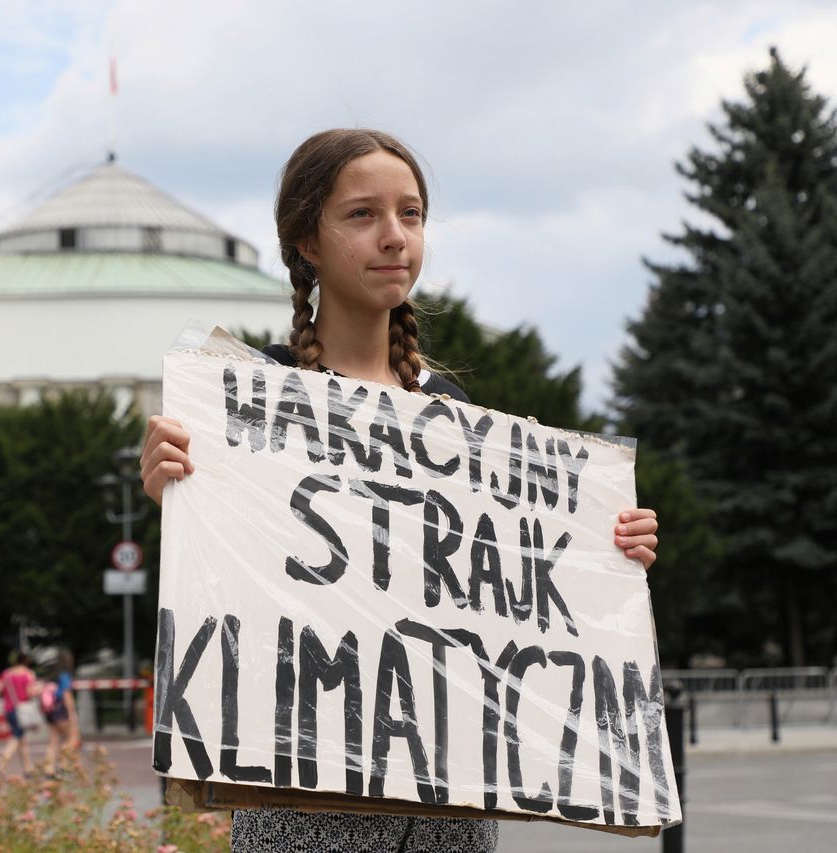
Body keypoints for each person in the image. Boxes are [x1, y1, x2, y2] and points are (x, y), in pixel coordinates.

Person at [139, 128, 660, 853]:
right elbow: (235, 582)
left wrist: (608, 549)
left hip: (453, 812)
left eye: (410, 214)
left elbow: (510, 592)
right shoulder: (252, 398)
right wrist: (179, 498)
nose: (394, 236)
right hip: (307, 810)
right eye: (362, 215)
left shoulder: (452, 415)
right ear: (306, 241)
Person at [0, 651, 38, 778]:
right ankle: (1, 765)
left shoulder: (6, 674)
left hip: (9, 709)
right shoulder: (28, 674)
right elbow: (30, 693)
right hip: (22, 711)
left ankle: (28, 769)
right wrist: (39, 690)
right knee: (16, 737)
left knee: (22, 740)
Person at [42, 649, 81, 776]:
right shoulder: (65, 676)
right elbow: (66, 695)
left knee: (53, 740)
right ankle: (63, 765)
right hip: (61, 709)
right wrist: (72, 714)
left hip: (50, 710)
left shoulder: (52, 676)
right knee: (71, 737)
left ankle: (49, 769)